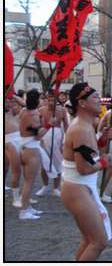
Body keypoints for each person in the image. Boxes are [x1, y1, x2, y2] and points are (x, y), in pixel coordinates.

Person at [60, 83, 112, 261]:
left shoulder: (86, 125)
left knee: (89, 239)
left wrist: (103, 137)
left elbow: (89, 154)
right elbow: (84, 169)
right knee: (99, 242)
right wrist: (104, 162)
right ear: (82, 103)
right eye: (95, 97)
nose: (100, 100)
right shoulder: (81, 128)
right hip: (77, 188)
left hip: (80, 187)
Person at [18, 89, 54, 219]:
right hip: (31, 149)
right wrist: (49, 125)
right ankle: (23, 211)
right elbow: (38, 136)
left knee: (27, 180)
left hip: (23, 147)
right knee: (29, 181)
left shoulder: (23, 111)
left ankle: (27, 207)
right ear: (36, 100)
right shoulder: (32, 114)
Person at [35, 90, 69, 197]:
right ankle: (45, 186)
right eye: (49, 100)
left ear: (56, 100)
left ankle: (56, 188)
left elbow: (67, 126)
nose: (51, 102)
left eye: (53, 100)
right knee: (44, 164)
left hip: (58, 138)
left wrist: (65, 142)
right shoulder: (40, 111)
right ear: (46, 99)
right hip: (44, 138)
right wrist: (40, 141)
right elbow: (38, 127)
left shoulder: (62, 110)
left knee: (58, 163)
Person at [5, 95, 24, 207]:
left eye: (10, 101)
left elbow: (24, 104)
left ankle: (22, 195)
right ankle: (16, 198)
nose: (9, 103)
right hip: (8, 141)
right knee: (15, 169)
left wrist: (12, 95)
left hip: (19, 139)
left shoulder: (13, 111)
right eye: (7, 101)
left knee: (6, 168)